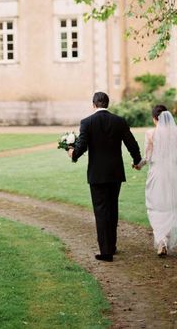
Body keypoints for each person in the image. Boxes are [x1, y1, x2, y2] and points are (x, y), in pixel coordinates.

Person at [68, 91, 142, 262]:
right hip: (115, 173)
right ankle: (112, 245)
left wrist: (72, 153)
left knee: (101, 211)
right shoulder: (119, 121)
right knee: (112, 208)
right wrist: (137, 160)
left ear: (94, 104)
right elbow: (131, 142)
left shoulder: (87, 122)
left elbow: (81, 147)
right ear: (107, 104)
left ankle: (106, 251)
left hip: (97, 174)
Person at [142, 104, 177, 256]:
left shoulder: (151, 133)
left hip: (156, 174)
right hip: (171, 174)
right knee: (171, 206)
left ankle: (161, 239)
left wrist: (138, 165)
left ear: (154, 118)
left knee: (154, 206)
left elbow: (148, 157)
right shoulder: (174, 134)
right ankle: (166, 238)